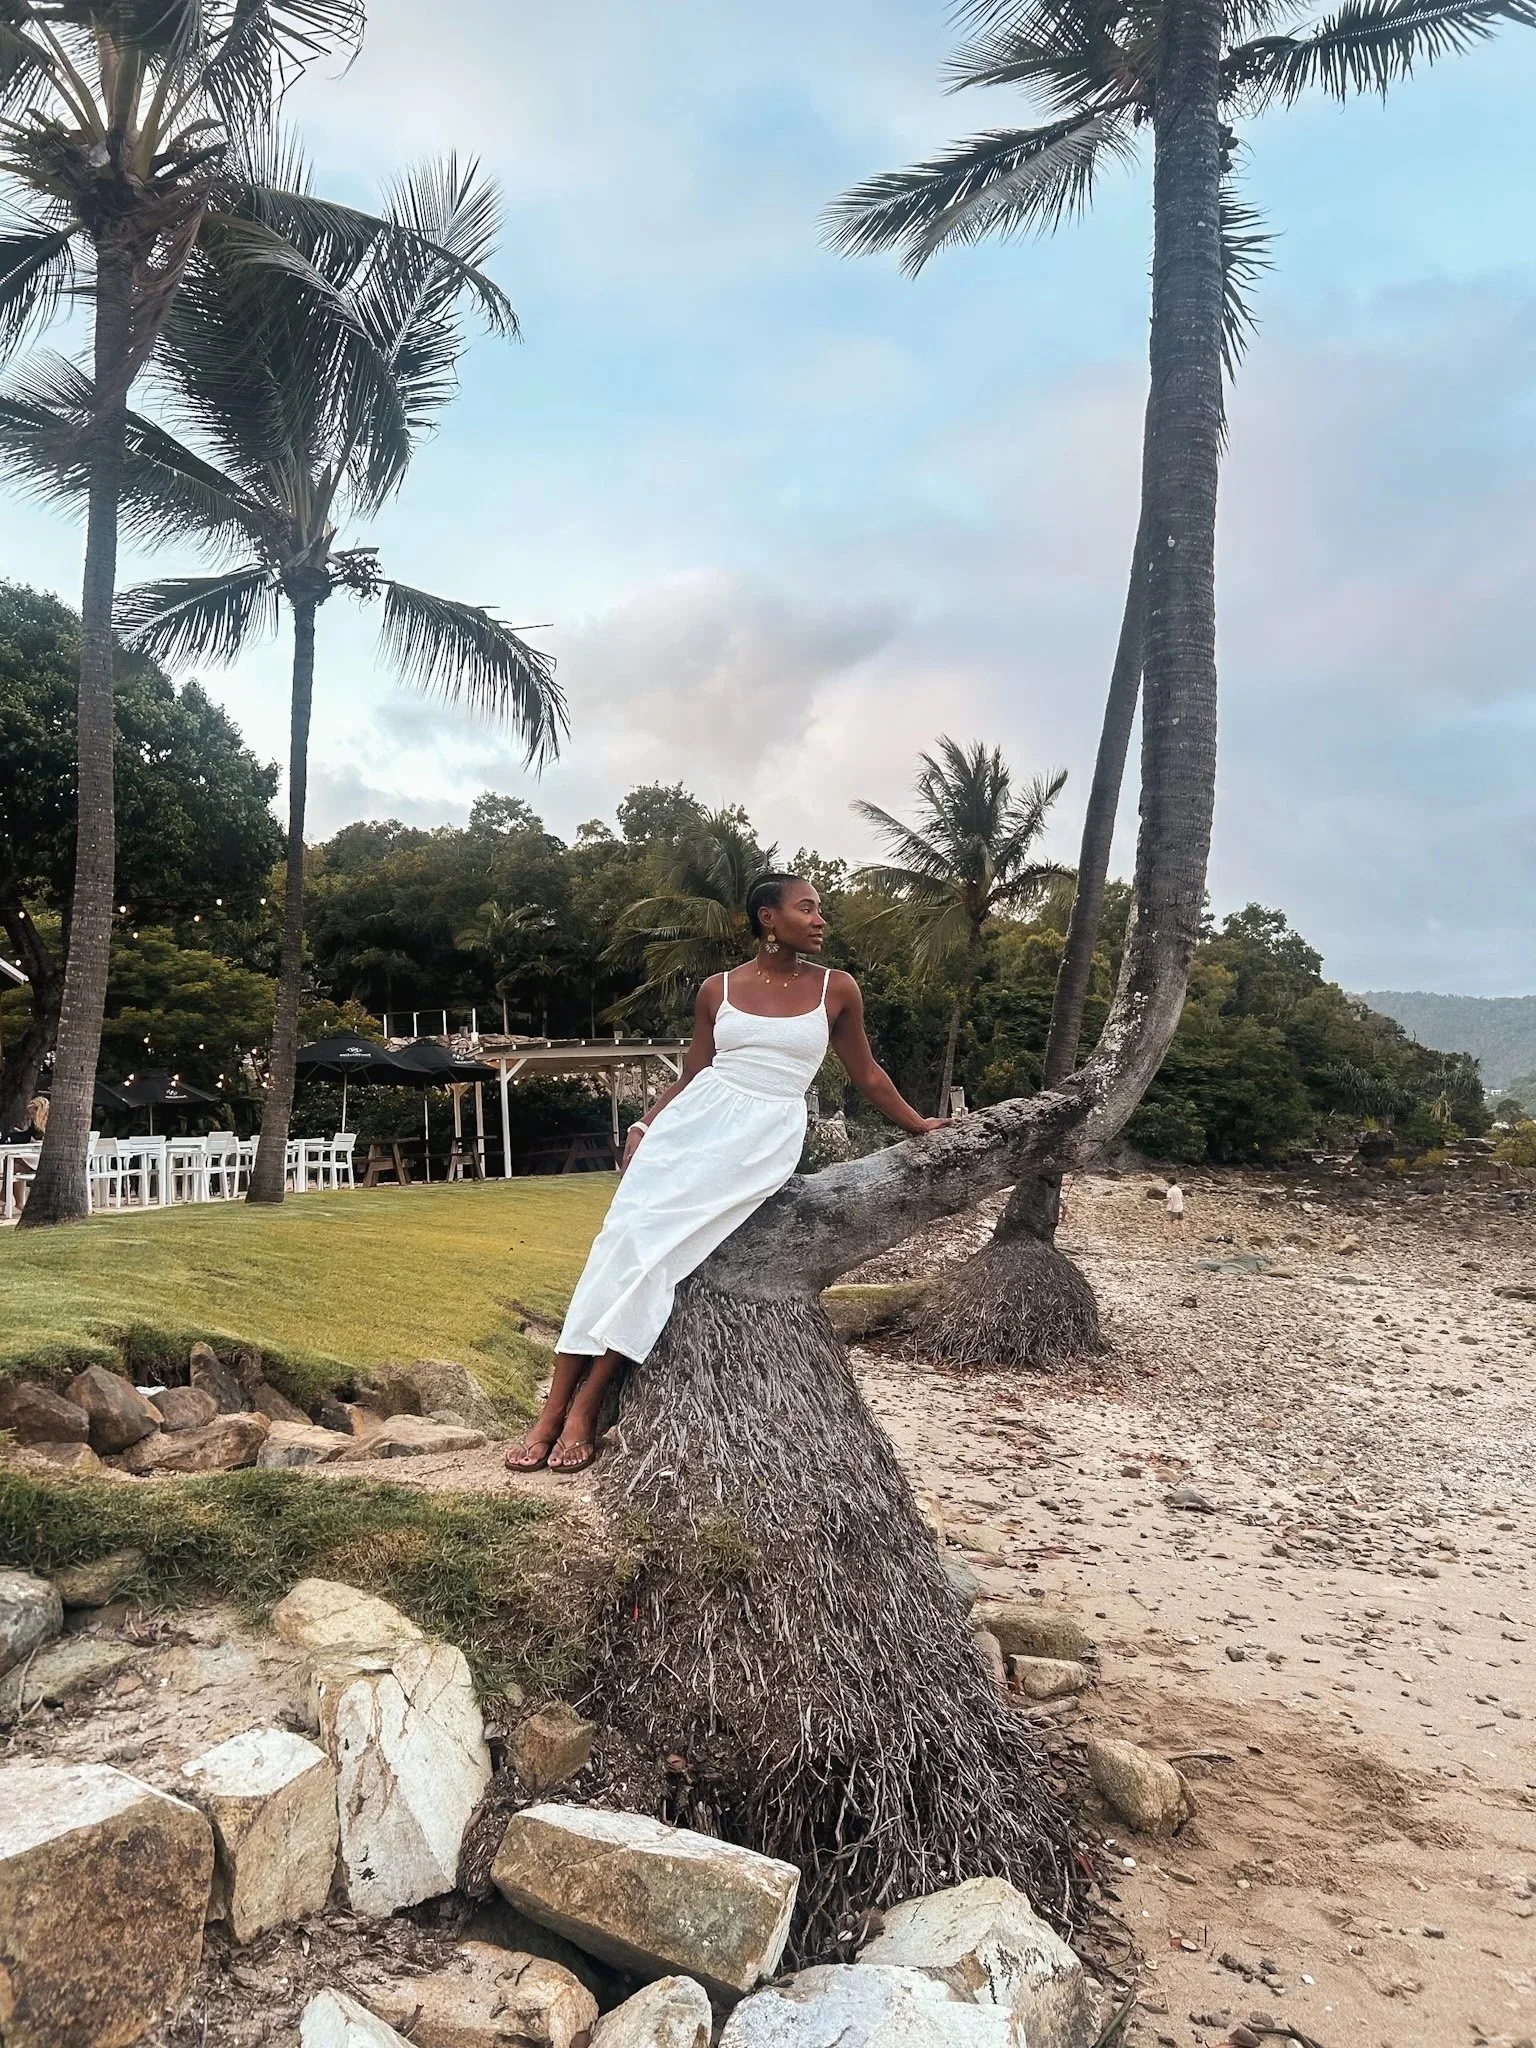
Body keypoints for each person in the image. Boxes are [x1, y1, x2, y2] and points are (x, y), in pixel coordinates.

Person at [507, 872, 948, 1473]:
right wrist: (644, 1125)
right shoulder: (717, 989)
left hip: (760, 1139)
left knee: (661, 1255)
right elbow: (692, 1074)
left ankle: (585, 1408)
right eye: (807, 908)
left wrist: (919, 1125)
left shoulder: (836, 989)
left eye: (820, 910)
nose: (820, 919)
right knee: (619, 1245)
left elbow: (867, 1075)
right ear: (769, 918)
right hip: (690, 1126)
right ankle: (549, 1412)